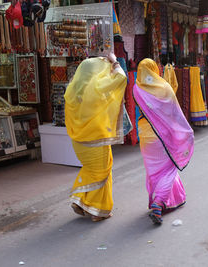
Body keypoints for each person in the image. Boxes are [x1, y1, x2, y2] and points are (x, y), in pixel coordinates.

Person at [64, 53, 127, 222]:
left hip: (78, 139)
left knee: (90, 169)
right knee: (102, 172)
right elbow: (121, 78)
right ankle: (98, 210)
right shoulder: (97, 88)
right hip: (96, 138)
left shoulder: (72, 89)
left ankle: (81, 201)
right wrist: (114, 61)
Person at [133, 58, 194, 225]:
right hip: (161, 135)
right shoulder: (165, 87)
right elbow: (174, 113)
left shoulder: (136, 88)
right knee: (169, 168)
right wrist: (183, 132)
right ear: (154, 70)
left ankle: (166, 200)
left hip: (145, 134)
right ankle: (159, 204)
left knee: (154, 170)